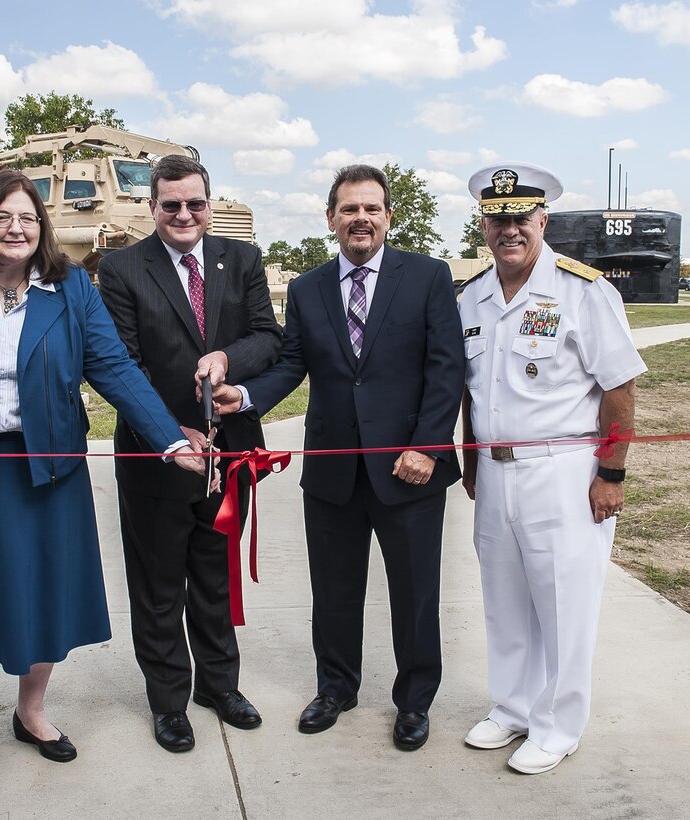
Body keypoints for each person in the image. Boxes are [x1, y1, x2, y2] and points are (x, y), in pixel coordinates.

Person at [0, 170, 204, 789]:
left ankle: (32, 713)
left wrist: (167, 437)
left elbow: (113, 367)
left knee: (48, 596)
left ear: (42, 226)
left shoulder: (71, 287)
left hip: (47, 473)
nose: (16, 228)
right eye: (2, 216)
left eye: (27, 217)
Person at [211, 164, 464, 750]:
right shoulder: (307, 288)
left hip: (408, 469)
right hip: (332, 471)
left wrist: (426, 447)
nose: (361, 219)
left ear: (388, 217)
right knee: (334, 590)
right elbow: (292, 364)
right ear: (330, 219)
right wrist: (245, 396)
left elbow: (446, 369)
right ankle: (336, 688)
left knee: (415, 592)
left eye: (371, 208)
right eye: (349, 209)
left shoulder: (427, 277)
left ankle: (414, 700)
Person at [457, 163, 646, 774]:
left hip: (563, 470)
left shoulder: (583, 290)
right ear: (483, 223)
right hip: (495, 470)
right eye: (497, 217)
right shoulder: (474, 296)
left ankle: (560, 723)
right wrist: (470, 456)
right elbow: (470, 390)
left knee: (564, 601)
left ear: (543, 220)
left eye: (520, 217)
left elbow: (620, 389)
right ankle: (512, 707)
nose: (508, 228)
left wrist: (611, 475)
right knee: (504, 599)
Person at [97, 155, 282, 752]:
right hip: (158, 455)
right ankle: (169, 700)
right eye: (171, 204)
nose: (183, 214)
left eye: (194, 203)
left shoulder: (244, 259)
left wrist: (229, 360)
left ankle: (219, 686)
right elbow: (121, 361)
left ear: (210, 203)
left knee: (215, 574)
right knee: (158, 583)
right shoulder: (122, 267)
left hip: (230, 452)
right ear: (152, 206)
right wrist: (171, 431)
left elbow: (267, 337)